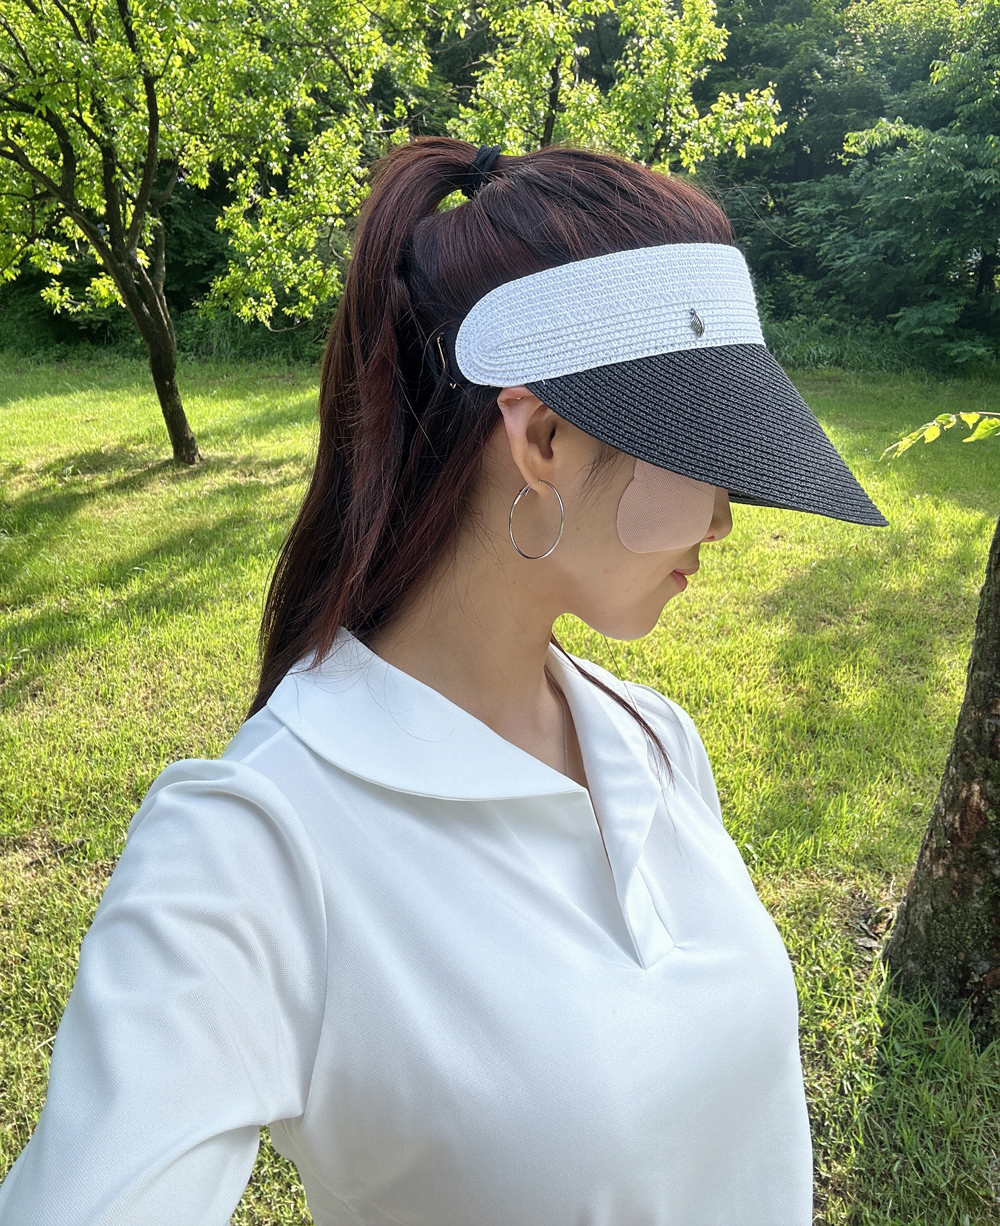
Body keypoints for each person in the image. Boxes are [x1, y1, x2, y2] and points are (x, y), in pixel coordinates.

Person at [0, 138, 887, 1226]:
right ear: (543, 438)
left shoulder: (654, 738)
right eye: (703, 452)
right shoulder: (255, 849)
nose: (724, 517)